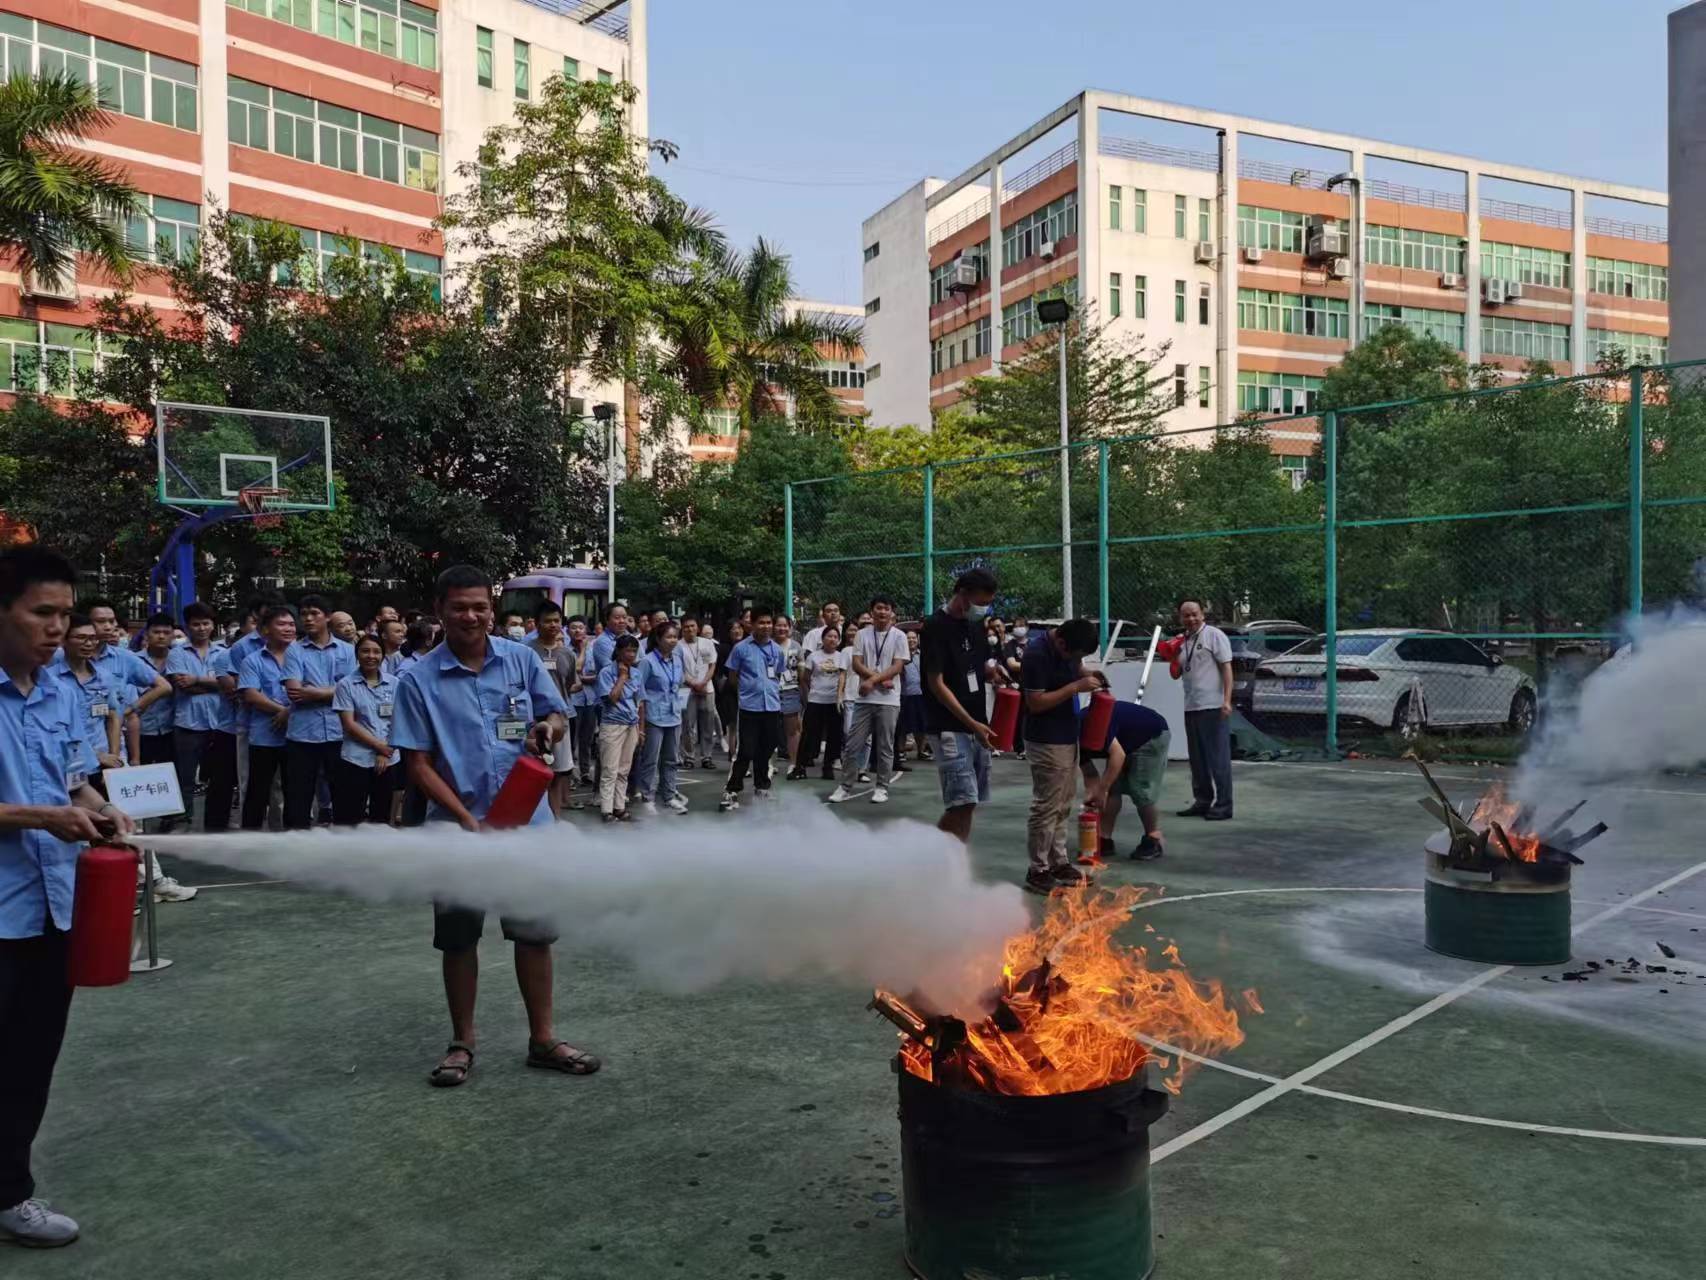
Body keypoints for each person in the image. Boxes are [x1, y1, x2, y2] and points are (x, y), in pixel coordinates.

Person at [390, 564, 595, 1087]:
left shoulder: (522, 660)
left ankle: (544, 1039)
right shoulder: (417, 680)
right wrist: (465, 821)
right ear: (439, 611)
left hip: (529, 826)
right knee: (459, 940)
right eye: (459, 606)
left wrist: (545, 731)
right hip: (458, 833)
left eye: (480, 606)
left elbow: (556, 716)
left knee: (534, 934)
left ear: (493, 609)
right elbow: (418, 766)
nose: (471, 616)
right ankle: (462, 1043)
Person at [0, 546, 136, 1249]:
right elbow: (42, 806)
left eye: (65, 614)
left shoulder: (62, 692)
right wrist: (43, 817)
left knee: (28, 1062)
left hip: (53, 909)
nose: (58, 629)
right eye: (41, 613)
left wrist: (98, 808)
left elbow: (76, 780)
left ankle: (10, 1194)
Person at [920, 568, 1007, 843]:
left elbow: (978, 663)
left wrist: (992, 671)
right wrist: (971, 724)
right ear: (962, 594)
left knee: (971, 801)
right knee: (961, 801)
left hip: (976, 723)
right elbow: (936, 684)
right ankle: (935, 860)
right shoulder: (935, 626)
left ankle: (953, 859)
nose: (984, 609)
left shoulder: (975, 625)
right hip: (949, 726)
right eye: (980, 603)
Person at [1020, 619, 1104, 895]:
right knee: (1046, 805)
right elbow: (1035, 703)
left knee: (1064, 802)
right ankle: (1038, 869)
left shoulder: (1067, 652)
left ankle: (1058, 861)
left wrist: (1089, 674)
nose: (1077, 661)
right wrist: (1075, 688)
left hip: (1068, 734)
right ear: (1061, 643)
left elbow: (1076, 669)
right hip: (1045, 739)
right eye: (1075, 655)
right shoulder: (1036, 655)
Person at [281, 595, 354, 829]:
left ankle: (346, 845)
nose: (308, 618)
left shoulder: (347, 650)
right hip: (302, 734)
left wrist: (315, 693)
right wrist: (335, 692)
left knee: (344, 797)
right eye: (304, 614)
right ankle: (296, 845)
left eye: (314, 613)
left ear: (328, 616)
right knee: (298, 798)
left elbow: (353, 691)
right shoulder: (294, 650)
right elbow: (294, 692)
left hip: (339, 733)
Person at [829, 596, 909, 805]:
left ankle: (882, 787)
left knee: (885, 746)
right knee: (853, 744)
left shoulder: (899, 636)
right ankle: (845, 786)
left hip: (889, 700)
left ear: (892, 612)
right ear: (871, 611)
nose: (882, 612)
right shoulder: (862, 634)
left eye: (886, 609)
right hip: (863, 699)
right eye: (879, 608)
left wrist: (871, 681)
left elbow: (898, 666)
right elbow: (856, 663)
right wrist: (879, 681)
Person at [166, 602, 235, 833]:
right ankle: (182, 820)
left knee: (219, 779)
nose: (202, 628)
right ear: (187, 627)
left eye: (206, 623)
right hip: (188, 723)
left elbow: (229, 687)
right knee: (185, 777)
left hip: (220, 724)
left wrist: (196, 680)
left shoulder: (224, 653)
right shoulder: (176, 653)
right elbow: (182, 686)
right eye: (196, 624)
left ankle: (215, 823)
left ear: (213, 625)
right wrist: (213, 684)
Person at [1082, 700, 1171, 861]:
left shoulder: (1091, 724)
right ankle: (1104, 838)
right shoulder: (1072, 744)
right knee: (1113, 789)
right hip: (1124, 739)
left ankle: (1154, 838)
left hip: (1150, 733)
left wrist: (1103, 789)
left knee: (1141, 790)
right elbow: (1090, 775)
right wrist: (1093, 796)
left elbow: (1118, 755)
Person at [1171, 598, 1234, 821]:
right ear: (1180, 618)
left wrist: (1227, 700)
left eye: (1194, 614)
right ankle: (1203, 800)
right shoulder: (1183, 641)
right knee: (1197, 759)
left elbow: (1226, 668)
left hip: (1213, 705)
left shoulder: (1214, 635)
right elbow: (1176, 673)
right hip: (1192, 705)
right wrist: (1171, 655)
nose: (1191, 619)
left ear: (1202, 614)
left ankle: (1224, 804)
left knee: (1217, 758)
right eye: (1186, 615)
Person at [238, 605, 299, 831]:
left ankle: (292, 835)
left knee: (294, 791)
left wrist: (289, 712)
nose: (288, 628)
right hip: (264, 736)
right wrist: (281, 711)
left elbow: (313, 689)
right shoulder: (253, 660)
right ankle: (250, 836)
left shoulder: (304, 655)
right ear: (265, 629)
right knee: (257, 790)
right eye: (281, 624)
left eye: (291, 624)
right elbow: (251, 695)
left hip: (297, 736)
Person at [718, 608, 783, 812]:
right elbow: (733, 676)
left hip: (771, 706)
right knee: (746, 750)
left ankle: (762, 787)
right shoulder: (741, 648)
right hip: (749, 707)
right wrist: (746, 693)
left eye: (768, 623)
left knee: (766, 749)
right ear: (752, 625)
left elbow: (777, 675)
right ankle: (732, 790)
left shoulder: (777, 650)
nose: (766, 627)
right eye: (761, 623)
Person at [331, 634, 399, 826]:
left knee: (381, 817)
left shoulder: (394, 684)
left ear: (383, 656)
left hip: (388, 760)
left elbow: (399, 720)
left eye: (377, 651)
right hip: (356, 759)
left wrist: (386, 752)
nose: (371, 656)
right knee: (349, 818)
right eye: (365, 651)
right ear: (357, 655)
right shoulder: (345, 685)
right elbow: (349, 724)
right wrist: (380, 747)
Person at [524, 600, 582, 819]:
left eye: (556, 621)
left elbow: (568, 685)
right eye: (547, 621)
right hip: (532, 721)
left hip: (560, 721)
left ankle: (556, 819)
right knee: (533, 773)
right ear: (537, 623)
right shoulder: (526, 652)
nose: (552, 625)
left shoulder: (567, 654)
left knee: (557, 773)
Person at [53, 616, 122, 796]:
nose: (89, 643)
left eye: (93, 638)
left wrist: (113, 757)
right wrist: (96, 756)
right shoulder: (50, 680)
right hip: (68, 765)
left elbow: (113, 717)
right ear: (64, 641)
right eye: (81, 638)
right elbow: (57, 727)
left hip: (103, 764)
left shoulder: (104, 677)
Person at [635, 621, 688, 815]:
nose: (673, 641)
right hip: (654, 716)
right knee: (650, 758)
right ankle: (647, 796)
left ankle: (669, 796)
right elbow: (639, 690)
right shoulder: (647, 661)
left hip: (674, 714)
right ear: (658, 639)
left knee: (671, 759)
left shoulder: (677, 659)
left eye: (675, 637)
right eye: (669, 637)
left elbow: (679, 683)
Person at [135, 614, 178, 820]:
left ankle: (168, 822)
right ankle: (140, 821)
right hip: (140, 729)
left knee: (168, 779)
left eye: (166, 632)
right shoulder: (133, 660)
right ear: (147, 634)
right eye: (156, 632)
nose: (161, 636)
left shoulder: (180, 658)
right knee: (139, 778)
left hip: (172, 728)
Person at [594, 635, 641, 822]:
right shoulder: (607, 673)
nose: (631, 654)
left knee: (624, 769)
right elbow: (611, 699)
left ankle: (619, 806)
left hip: (631, 724)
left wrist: (641, 728)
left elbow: (640, 702)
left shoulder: (636, 673)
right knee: (609, 769)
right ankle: (607, 809)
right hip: (612, 724)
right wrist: (622, 677)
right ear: (619, 651)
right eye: (627, 650)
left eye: (634, 651)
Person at [794, 624, 847, 780]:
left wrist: (839, 696)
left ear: (839, 640)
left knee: (834, 736)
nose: (832, 639)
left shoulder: (841, 656)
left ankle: (828, 767)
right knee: (809, 735)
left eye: (835, 637)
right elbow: (806, 677)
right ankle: (800, 766)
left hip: (834, 702)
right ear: (823, 639)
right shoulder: (814, 656)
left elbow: (843, 677)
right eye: (829, 636)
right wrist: (814, 691)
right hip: (815, 700)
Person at [678, 616, 719, 770]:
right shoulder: (678, 646)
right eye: (686, 626)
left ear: (698, 627)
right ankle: (688, 756)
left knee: (708, 723)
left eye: (692, 626)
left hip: (707, 688)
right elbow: (679, 670)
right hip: (685, 689)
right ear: (682, 628)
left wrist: (703, 682)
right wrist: (693, 683)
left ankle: (707, 756)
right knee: (687, 724)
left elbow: (712, 665)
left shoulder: (707, 643)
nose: (690, 629)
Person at [774, 615, 804, 773]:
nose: (782, 628)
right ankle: (769, 764)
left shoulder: (796, 646)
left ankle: (793, 763)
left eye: (785, 625)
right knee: (769, 729)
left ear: (790, 628)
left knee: (792, 730)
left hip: (791, 690)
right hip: (770, 690)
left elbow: (801, 670)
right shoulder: (768, 645)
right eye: (778, 625)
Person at [896, 627, 928, 765]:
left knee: (922, 725)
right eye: (908, 638)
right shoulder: (900, 656)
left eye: (914, 638)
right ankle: (901, 751)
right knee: (903, 725)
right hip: (904, 694)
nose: (911, 640)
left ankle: (921, 751)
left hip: (921, 694)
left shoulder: (923, 655)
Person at [713, 620, 744, 760]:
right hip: (729, 690)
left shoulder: (748, 646)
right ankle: (733, 754)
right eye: (733, 629)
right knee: (733, 724)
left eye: (739, 628)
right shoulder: (723, 649)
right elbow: (719, 672)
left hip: (747, 689)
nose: (737, 631)